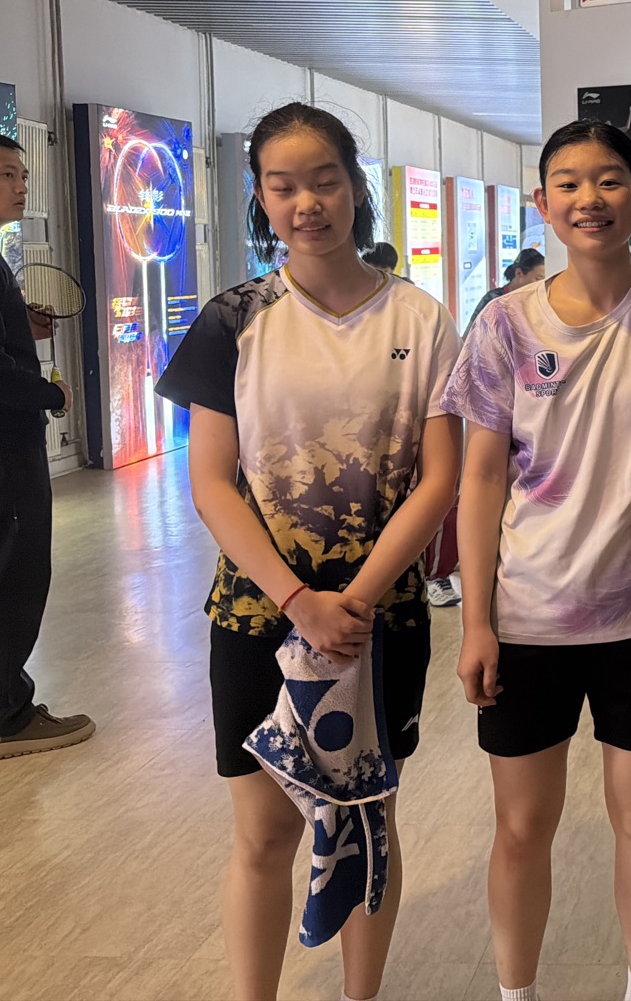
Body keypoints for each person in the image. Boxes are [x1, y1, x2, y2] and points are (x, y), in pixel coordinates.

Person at [155, 103, 462, 1001]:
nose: (306, 203)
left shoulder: (420, 317)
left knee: (367, 820)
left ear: (356, 185)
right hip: (259, 614)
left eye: (324, 180)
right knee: (263, 835)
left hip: (379, 619)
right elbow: (212, 482)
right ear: (260, 196)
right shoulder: (234, 317)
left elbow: (439, 478)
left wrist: (352, 602)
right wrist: (299, 600)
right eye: (282, 186)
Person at [444, 118, 631, 1001]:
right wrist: (476, 621)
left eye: (608, 180)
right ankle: (517, 993)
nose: (589, 198)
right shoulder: (504, 326)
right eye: (568, 182)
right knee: (521, 825)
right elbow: (480, 478)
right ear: (543, 201)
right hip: (527, 618)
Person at [0, 129, 93, 760]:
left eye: (22, 175)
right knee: (8, 576)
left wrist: (18, 323)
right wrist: (51, 395)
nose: (20, 186)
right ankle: (6, 717)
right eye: (4, 174)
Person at [467, 248, 545, 332]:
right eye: (538, 279)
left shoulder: (540, 300)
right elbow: (470, 334)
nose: (542, 284)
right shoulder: (493, 299)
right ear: (519, 273)